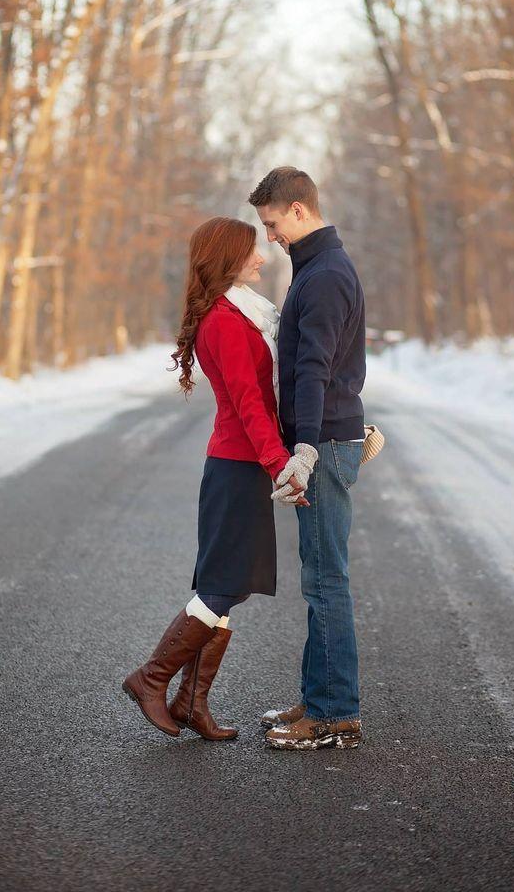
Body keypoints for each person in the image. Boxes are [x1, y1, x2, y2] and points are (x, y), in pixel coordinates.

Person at [121, 216, 308, 741]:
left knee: (227, 585)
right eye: (252, 250)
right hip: (237, 465)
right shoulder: (225, 321)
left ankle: (190, 702)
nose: (262, 257)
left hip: (241, 465)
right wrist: (280, 463)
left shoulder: (242, 312)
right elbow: (249, 404)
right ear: (226, 257)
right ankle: (151, 678)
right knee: (222, 586)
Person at [249, 167, 367, 751]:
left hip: (319, 445)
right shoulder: (317, 268)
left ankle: (333, 713)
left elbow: (316, 366)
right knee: (320, 576)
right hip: (325, 439)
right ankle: (319, 694)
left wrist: (307, 446)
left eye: (271, 224)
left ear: (298, 210)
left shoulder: (323, 275)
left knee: (326, 581)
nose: (269, 237)